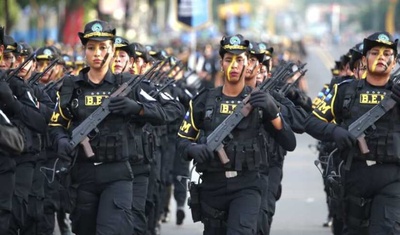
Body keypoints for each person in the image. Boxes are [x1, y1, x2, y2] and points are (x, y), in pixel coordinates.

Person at [48, 19, 184, 235]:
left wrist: (138, 108)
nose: (97, 53)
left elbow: (173, 109)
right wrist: (61, 140)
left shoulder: (129, 85)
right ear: (84, 51)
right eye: (91, 48)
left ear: (111, 51)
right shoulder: (71, 87)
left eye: (103, 48)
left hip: (118, 175)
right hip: (82, 176)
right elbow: (56, 123)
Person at [177, 34, 296, 234]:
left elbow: (289, 142)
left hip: (247, 186)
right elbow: (181, 141)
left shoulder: (259, 101)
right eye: (228, 60)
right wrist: (192, 149)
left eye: (239, 60)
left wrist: (273, 111)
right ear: (221, 64)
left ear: (247, 63)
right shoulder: (203, 101)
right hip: (212, 188)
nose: (234, 66)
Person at [305, 31, 400, 234]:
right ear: (364, 60)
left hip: (393, 178)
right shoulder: (343, 91)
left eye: (387, 54)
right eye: (375, 53)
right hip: (353, 177)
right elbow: (311, 121)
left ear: (394, 62)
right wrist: (334, 131)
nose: (381, 58)